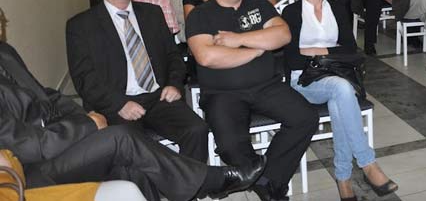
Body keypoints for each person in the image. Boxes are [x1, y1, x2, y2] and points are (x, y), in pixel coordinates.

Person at [0, 40, 265, 201]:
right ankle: (211, 180)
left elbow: (46, 96)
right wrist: (87, 126)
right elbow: (28, 146)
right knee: (121, 137)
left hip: (57, 140)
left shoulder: (5, 53)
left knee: (129, 164)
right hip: (26, 171)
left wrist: (83, 118)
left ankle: (196, 183)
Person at [185, 0, 319, 201]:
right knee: (230, 147)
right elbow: (207, 56)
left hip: (267, 86)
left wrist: (238, 40)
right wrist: (258, 48)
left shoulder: (258, 6)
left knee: (306, 117)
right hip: (222, 94)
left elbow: (283, 34)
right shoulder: (200, 15)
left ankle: (265, 180)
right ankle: (269, 186)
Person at [66, 0, 208, 162]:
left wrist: (174, 84)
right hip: (115, 101)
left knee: (196, 129)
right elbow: (84, 78)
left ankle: (191, 182)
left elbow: (173, 55)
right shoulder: (81, 25)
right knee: (132, 147)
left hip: (158, 97)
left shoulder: (152, 13)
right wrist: (119, 104)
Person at [282, 0, 398, 201]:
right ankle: (367, 163)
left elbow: (350, 48)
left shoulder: (336, 8)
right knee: (342, 89)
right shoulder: (292, 12)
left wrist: (315, 51)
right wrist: (328, 51)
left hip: (336, 76)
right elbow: (292, 57)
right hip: (303, 80)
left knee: (339, 100)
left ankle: (343, 179)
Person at [0, 149, 147, 201]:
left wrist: (85, 121)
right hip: (37, 168)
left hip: (22, 190)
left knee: (126, 189)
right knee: (122, 138)